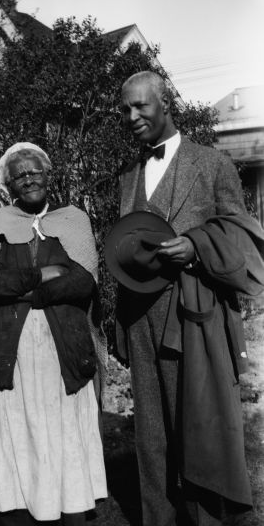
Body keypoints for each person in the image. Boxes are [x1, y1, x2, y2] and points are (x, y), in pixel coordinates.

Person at [113, 71, 264, 526]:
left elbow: (246, 237)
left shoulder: (212, 164)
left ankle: (207, 518)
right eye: (125, 109)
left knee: (197, 428)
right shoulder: (127, 177)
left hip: (193, 317)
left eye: (141, 106)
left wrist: (196, 245)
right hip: (139, 320)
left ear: (166, 103)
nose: (132, 116)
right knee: (151, 436)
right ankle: (157, 518)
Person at [0, 142, 107, 526]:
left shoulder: (74, 219)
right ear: (9, 185)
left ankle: (66, 510)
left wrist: (28, 293)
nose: (29, 179)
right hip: (11, 352)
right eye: (20, 175)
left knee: (62, 437)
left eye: (35, 172)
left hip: (61, 350)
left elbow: (83, 284)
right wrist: (44, 275)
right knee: (20, 436)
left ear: (49, 175)